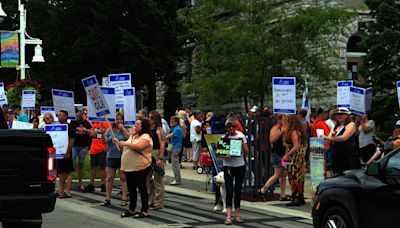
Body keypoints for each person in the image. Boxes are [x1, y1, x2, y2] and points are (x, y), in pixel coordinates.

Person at [116, 118, 152, 218]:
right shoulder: (133, 135)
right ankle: (132, 209)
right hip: (130, 167)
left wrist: (125, 143)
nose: (134, 126)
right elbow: (127, 146)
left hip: (140, 167)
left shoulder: (146, 136)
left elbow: (139, 147)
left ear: (143, 126)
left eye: (137, 124)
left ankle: (144, 210)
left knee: (141, 188)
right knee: (131, 188)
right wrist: (119, 143)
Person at [221, 118, 248, 225]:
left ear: (236, 127)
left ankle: (237, 214)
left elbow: (246, 152)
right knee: (229, 190)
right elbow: (220, 154)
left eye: (233, 126)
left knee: (237, 190)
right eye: (229, 127)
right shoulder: (224, 138)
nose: (231, 128)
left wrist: (242, 144)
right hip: (228, 166)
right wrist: (225, 155)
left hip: (239, 165)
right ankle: (228, 216)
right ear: (226, 128)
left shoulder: (240, 136)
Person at [100, 113, 130, 206]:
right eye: (117, 119)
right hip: (111, 156)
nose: (119, 121)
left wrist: (123, 128)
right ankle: (107, 198)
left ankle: (124, 198)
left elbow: (129, 138)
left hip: (122, 156)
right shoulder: (110, 130)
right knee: (109, 178)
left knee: (123, 177)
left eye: (121, 119)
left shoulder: (125, 130)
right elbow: (104, 141)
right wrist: (102, 134)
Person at [258, 114, 289, 201]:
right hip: (277, 154)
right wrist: (281, 133)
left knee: (283, 174)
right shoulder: (275, 128)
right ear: (279, 120)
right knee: (277, 174)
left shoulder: (284, 128)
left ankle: (283, 195)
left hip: (284, 155)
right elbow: (272, 140)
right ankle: (263, 189)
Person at [323, 107, 360, 174]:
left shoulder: (351, 124)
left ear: (346, 116)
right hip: (336, 157)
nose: (339, 116)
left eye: (342, 114)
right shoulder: (335, 126)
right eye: (337, 114)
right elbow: (328, 140)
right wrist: (330, 136)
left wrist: (327, 137)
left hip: (348, 157)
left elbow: (343, 138)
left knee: (348, 178)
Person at [282, 115, 307, 206]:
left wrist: (287, 155)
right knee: (297, 176)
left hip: (295, 157)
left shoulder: (293, 132)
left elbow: (295, 146)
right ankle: (299, 197)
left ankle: (296, 197)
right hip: (296, 156)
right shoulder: (296, 131)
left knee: (294, 175)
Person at [82, 121, 108, 193]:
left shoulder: (105, 123)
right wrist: (89, 132)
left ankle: (104, 184)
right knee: (93, 167)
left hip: (101, 148)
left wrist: (97, 134)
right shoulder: (94, 124)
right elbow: (92, 135)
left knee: (102, 167)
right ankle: (91, 184)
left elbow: (107, 135)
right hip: (93, 149)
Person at [148, 110, 166, 210]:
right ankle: (152, 200)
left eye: (151, 118)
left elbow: (163, 144)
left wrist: (160, 158)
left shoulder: (159, 130)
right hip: (148, 153)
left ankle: (158, 202)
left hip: (156, 153)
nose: (149, 119)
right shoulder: (149, 129)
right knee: (149, 179)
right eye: (149, 117)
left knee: (158, 179)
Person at [71, 110, 92, 191]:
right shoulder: (73, 122)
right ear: (81, 114)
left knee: (81, 165)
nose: (86, 115)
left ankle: (80, 183)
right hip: (74, 146)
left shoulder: (87, 123)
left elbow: (91, 132)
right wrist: (80, 129)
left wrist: (85, 130)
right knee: (70, 164)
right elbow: (71, 130)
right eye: (85, 114)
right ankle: (68, 181)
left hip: (84, 146)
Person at [57, 110, 75, 198]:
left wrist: (68, 152)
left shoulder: (69, 127)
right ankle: (61, 190)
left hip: (66, 153)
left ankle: (67, 191)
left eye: (60, 115)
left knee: (67, 172)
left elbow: (71, 140)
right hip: (59, 153)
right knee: (61, 172)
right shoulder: (59, 126)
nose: (58, 116)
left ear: (65, 116)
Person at [166, 116, 183, 185]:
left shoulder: (177, 129)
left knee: (175, 164)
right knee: (171, 162)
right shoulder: (176, 128)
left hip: (176, 147)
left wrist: (163, 137)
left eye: (172, 121)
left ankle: (178, 180)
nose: (171, 122)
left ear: (176, 122)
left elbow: (171, 136)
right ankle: (177, 179)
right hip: (174, 146)